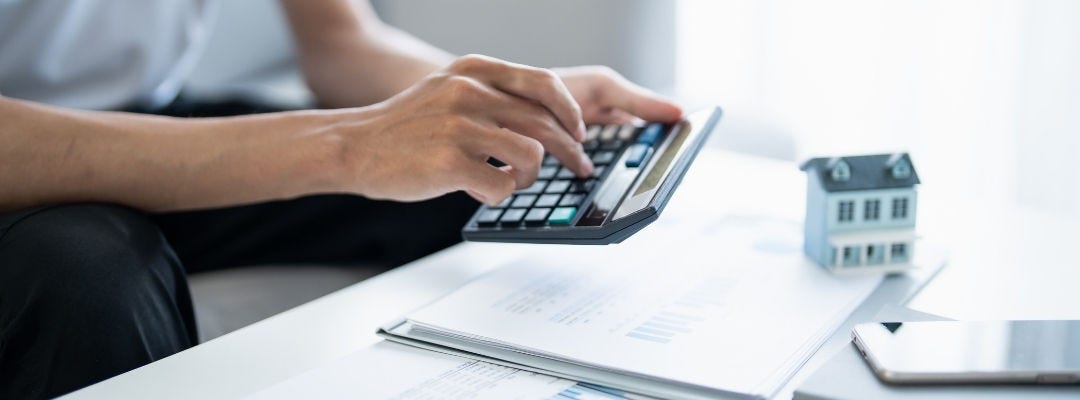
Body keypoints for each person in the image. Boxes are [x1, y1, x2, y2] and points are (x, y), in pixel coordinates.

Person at [0, 1, 682, 398]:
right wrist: (351, 146)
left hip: (142, 114)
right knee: (83, 275)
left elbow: (341, 43)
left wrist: (510, 107)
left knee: (479, 173)